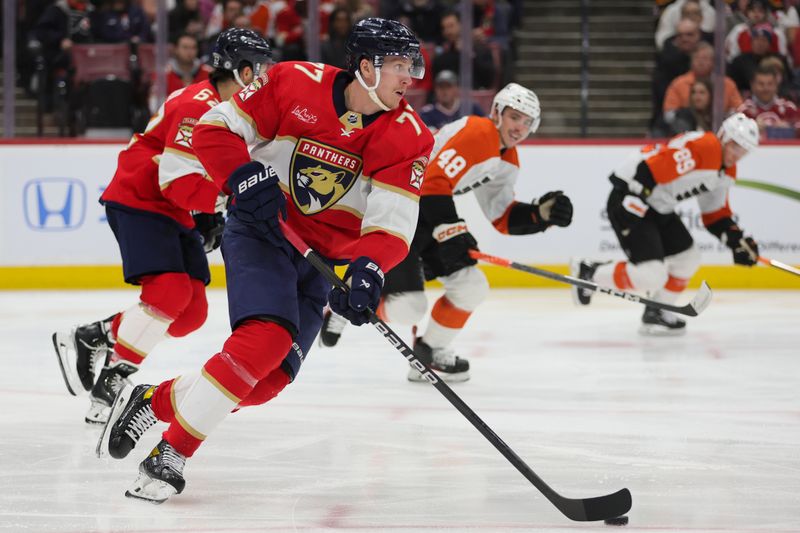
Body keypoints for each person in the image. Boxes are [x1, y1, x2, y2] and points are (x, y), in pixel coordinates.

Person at [96, 18, 434, 503]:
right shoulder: (293, 82)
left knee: (267, 381)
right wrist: (242, 176)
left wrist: (369, 268)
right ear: (365, 67)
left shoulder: (410, 136)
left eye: (411, 66)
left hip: (320, 261)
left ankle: (155, 399)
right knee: (264, 341)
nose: (411, 78)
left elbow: (393, 221)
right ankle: (169, 454)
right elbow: (215, 129)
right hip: (263, 234)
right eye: (400, 66)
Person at [51, 29, 272, 424]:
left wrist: (210, 211)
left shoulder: (232, 108)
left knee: (192, 314)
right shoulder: (197, 106)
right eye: (259, 68)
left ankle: (97, 335)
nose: (264, 75)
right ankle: (114, 379)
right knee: (168, 294)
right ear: (240, 70)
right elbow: (178, 183)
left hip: (173, 208)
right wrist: (227, 203)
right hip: (140, 198)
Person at [319, 83, 574, 382]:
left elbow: (501, 217)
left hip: (427, 214)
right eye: (514, 117)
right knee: (407, 308)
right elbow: (430, 182)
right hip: (400, 209)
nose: (519, 127)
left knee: (471, 286)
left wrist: (540, 216)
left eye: (527, 122)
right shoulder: (480, 132)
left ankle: (428, 353)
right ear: (496, 113)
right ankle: (345, 305)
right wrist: (451, 231)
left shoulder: (507, 160)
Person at [572, 113, 761, 336]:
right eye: (735, 145)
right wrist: (634, 201)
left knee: (688, 259)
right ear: (723, 136)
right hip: (631, 195)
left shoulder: (726, 171)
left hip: (657, 205)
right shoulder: (706, 147)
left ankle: (657, 310)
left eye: (744, 150)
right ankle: (589, 272)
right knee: (651, 275)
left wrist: (736, 240)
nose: (737, 154)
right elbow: (650, 168)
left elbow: (714, 213)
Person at [418, 70, 484, 132]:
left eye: (448, 87)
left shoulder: (472, 108)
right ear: (435, 89)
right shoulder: (427, 113)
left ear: (457, 88)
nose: (444, 91)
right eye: (441, 87)